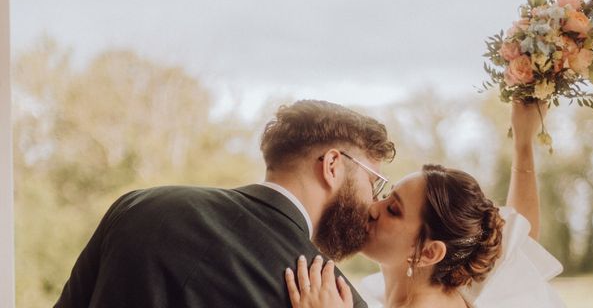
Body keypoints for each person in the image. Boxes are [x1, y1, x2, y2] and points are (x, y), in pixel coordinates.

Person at [55, 99, 396, 308]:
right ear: (332, 165)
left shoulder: (138, 206)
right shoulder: (337, 297)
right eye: (373, 181)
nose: (373, 202)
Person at [286, 100, 563, 308]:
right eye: (385, 196)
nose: (372, 207)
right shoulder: (453, 287)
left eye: (393, 210)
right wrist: (523, 143)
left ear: (429, 253)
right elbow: (521, 241)